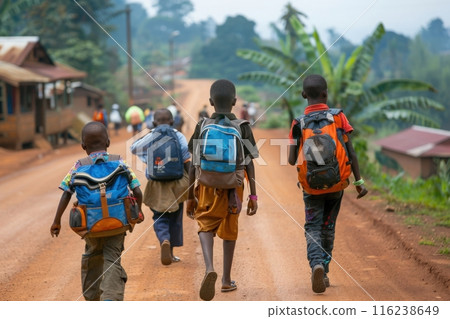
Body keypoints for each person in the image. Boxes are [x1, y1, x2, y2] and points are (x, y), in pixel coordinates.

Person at [288, 74, 368, 294]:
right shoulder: (339, 117)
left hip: (311, 186)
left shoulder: (298, 122)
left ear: (304, 95)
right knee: (328, 226)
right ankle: (325, 270)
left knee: (312, 226)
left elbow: (291, 159)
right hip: (337, 183)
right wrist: (359, 181)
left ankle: (316, 265)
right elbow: (350, 151)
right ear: (325, 94)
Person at [50, 121, 143, 301]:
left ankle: (93, 297)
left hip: (91, 225)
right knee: (112, 258)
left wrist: (56, 221)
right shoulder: (119, 162)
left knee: (92, 255)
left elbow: (66, 193)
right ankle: (111, 298)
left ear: (83, 146)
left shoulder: (78, 166)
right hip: (119, 223)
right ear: (108, 142)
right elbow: (137, 190)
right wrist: (137, 212)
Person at [186, 79, 259, 301]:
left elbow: (193, 162)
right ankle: (226, 280)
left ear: (210, 102)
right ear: (235, 102)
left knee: (205, 224)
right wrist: (253, 194)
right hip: (234, 188)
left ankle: (209, 267)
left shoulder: (202, 126)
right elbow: (249, 163)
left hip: (207, 184)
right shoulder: (243, 127)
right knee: (229, 229)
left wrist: (190, 195)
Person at [131, 109, 191, 265]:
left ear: (153, 123)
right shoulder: (178, 135)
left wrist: (147, 159)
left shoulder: (152, 135)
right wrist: (191, 184)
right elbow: (186, 158)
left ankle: (164, 239)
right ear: (172, 122)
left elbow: (133, 148)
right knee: (175, 217)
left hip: (156, 183)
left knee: (160, 215)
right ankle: (171, 253)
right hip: (177, 183)